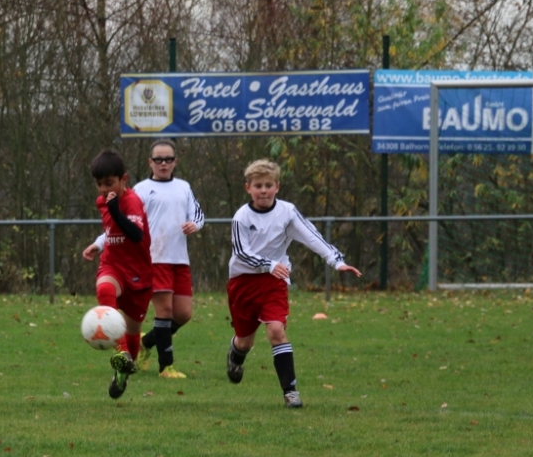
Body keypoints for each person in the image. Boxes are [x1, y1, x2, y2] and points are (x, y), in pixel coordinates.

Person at [225, 159, 361, 408]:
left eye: (268, 185)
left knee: (276, 331)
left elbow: (311, 236)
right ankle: (236, 354)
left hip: (274, 281)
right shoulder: (241, 217)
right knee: (245, 341)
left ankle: (290, 392)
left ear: (277, 187)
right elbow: (241, 252)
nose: (263, 190)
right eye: (258, 186)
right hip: (243, 282)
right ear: (248, 188)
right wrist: (267, 264)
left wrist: (336, 261)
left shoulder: (287, 212)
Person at [82, 139, 203, 379]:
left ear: (175, 161)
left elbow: (197, 214)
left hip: (176, 258)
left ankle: (144, 344)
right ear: (150, 162)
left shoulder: (183, 187)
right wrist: (98, 243)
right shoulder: (141, 190)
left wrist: (195, 225)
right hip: (153, 258)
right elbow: (117, 228)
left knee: (183, 314)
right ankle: (165, 366)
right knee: (162, 309)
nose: (163, 163)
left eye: (168, 159)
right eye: (158, 159)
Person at [89, 149, 153, 399]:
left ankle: (123, 370)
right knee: (105, 289)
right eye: (99, 184)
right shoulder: (103, 202)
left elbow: (136, 235)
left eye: (109, 183)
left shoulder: (131, 201)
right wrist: (98, 244)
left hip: (139, 273)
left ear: (123, 179)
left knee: (133, 331)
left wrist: (115, 209)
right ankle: (121, 352)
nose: (104, 189)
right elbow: (111, 231)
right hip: (112, 265)